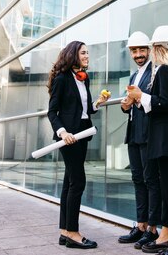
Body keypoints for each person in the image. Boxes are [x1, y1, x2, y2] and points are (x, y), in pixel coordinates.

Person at [126, 25, 168, 255]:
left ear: (157, 48)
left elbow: (164, 103)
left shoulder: (165, 70)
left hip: (167, 143)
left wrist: (141, 96)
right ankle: (166, 235)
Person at [47, 41, 109, 250]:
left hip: (83, 134)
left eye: (87, 53)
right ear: (73, 54)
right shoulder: (62, 79)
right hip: (69, 137)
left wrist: (97, 103)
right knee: (78, 182)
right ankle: (73, 232)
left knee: (69, 183)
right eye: (83, 53)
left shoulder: (84, 78)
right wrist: (62, 132)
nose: (87, 56)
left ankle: (65, 232)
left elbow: (82, 110)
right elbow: (52, 112)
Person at [117, 31, 161, 249]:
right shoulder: (134, 76)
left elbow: (154, 103)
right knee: (137, 179)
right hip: (134, 132)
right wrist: (126, 105)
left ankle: (153, 228)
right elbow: (135, 103)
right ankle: (141, 225)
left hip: (149, 134)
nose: (138, 54)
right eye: (134, 51)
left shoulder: (155, 72)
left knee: (150, 179)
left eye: (142, 50)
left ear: (149, 50)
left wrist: (137, 99)